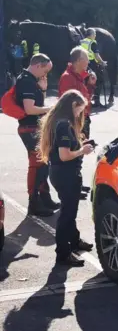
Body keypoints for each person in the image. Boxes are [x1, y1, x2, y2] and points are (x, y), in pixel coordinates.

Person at [37, 90, 95, 267]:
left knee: (70, 211)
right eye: (79, 110)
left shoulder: (58, 121)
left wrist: (81, 146)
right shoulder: (63, 125)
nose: (80, 114)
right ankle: (63, 253)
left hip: (61, 173)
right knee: (67, 214)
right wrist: (82, 151)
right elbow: (64, 155)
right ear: (72, 106)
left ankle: (74, 241)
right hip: (66, 173)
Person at [15, 53, 58, 217]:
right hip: (29, 128)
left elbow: (38, 103)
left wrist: (44, 89)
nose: (45, 75)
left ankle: (44, 198)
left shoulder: (32, 80)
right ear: (38, 65)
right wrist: (51, 109)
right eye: (45, 71)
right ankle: (34, 203)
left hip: (34, 126)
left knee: (43, 163)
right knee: (38, 164)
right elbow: (30, 109)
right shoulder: (26, 81)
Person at [58, 46, 96, 198]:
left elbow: (85, 98)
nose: (88, 62)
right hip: (75, 120)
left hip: (82, 118)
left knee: (80, 151)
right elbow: (68, 103)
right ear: (79, 61)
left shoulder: (79, 77)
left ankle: (77, 183)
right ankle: (73, 185)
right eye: (86, 59)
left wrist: (91, 85)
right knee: (75, 151)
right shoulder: (68, 78)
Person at [80, 28, 107, 108]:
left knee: (85, 82)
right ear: (91, 35)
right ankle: (96, 100)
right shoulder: (92, 43)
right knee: (99, 80)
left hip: (82, 64)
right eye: (94, 34)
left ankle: (84, 100)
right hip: (91, 64)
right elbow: (96, 55)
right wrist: (102, 62)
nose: (95, 35)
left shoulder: (82, 41)